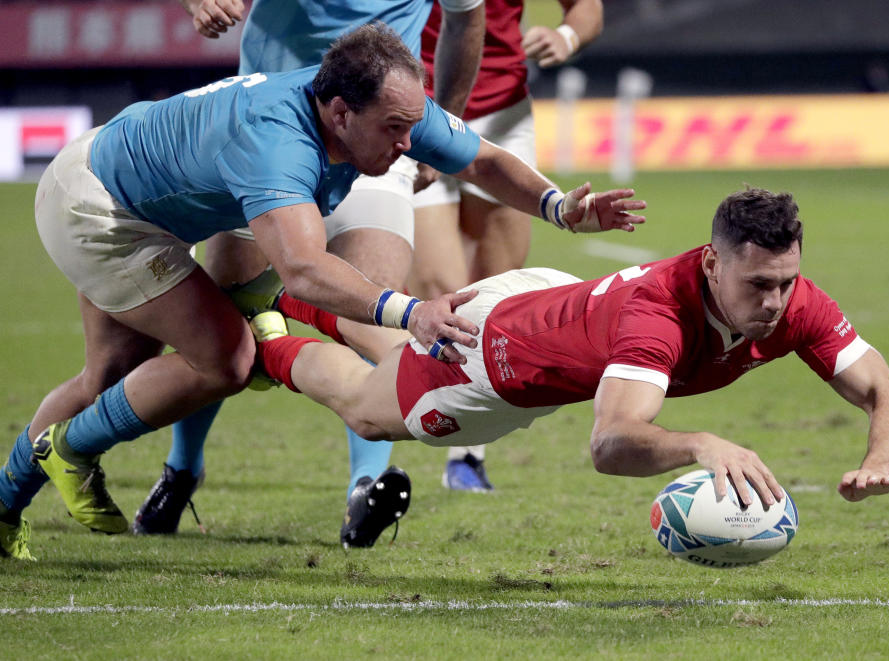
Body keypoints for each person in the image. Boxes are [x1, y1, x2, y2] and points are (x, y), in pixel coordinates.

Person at [0, 23, 646, 560]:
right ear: (340, 113)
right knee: (225, 358)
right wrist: (411, 309)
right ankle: (71, 447)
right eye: (394, 132)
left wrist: (559, 207)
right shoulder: (276, 145)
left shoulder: (377, 103)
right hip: (101, 209)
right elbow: (305, 269)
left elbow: (478, 159)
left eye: (410, 130)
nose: (406, 148)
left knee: (112, 372)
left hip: (130, 178)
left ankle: (3, 506)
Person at [241, 187, 889, 515]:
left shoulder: (796, 304)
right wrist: (703, 444)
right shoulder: (661, 320)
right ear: (712, 264)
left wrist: (879, 465)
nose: (774, 302)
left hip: (553, 298)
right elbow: (611, 443)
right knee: (369, 408)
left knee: (402, 361)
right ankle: (255, 344)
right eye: (758, 284)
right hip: (501, 357)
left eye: (786, 282)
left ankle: (290, 304)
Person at [144, 0, 486, 544]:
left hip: (374, 140)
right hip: (267, 137)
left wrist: (433, 128)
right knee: (223, 320)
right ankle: (182, 470)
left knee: (372, 309)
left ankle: (365, 488)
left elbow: (468, 18)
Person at [410, 0, 603, 490]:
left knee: (497, 293)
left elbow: (588, 9)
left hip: (501, 114)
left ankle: (466, 454)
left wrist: (566, 37)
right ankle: (398, 429)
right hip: (412, 114)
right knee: (441, 285)